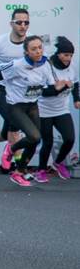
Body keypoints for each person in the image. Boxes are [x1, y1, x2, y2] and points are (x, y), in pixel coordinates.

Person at [0, 36, 55, 186]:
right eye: (33, 49)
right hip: (16, 106)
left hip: (32, 105)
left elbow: (50, 87)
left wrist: (63, 86)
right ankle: (11, 148)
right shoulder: (16, 65)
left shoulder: (45, 64)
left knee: (35, 140)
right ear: (26, 52)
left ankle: (19, 172)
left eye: (40, 47)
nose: (38, 51)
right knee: (34, 136)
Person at [0, 8, 30, 165]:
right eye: (19, 22)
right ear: (11, 24)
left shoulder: (30, 45)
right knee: (14, 121)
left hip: (19, 91)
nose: (23, 26)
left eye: (26, 22)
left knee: (8, 129)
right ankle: (18, 166)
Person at [38, 36, 78, 180]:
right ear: (58, 53)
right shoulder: (47, 67)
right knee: (47, 143)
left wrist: (77, 99)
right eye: (66, 55)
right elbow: (43, 92)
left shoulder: (71, 68)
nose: (68, 58)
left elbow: (75, 84)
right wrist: (59, 88)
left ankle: (58, 162)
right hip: (44, 111)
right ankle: (41, 170)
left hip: (62, 110)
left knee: (69, 139)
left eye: (71, 55)